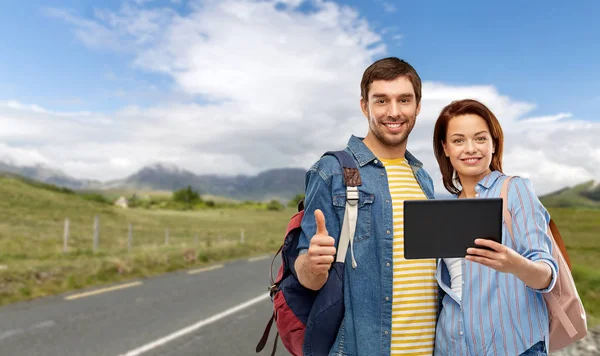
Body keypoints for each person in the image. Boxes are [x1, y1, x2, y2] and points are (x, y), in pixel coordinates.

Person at [294, 57, 438, 355]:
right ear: (365, 106)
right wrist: (312, 264)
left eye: (404, 100)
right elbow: (307, 273)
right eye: (381, 100)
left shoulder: (422, 177)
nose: (394, 111)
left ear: (418, 106)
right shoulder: (331, 171)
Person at [432, 99, 559, 356]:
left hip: (514, 348)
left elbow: (547, 276)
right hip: (451, 347)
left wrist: (516, 265)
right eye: (458, 140)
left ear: (494, 143)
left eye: (480, 139)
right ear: (445, 148)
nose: (470, 149)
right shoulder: (445, 210)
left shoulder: (515, 190)